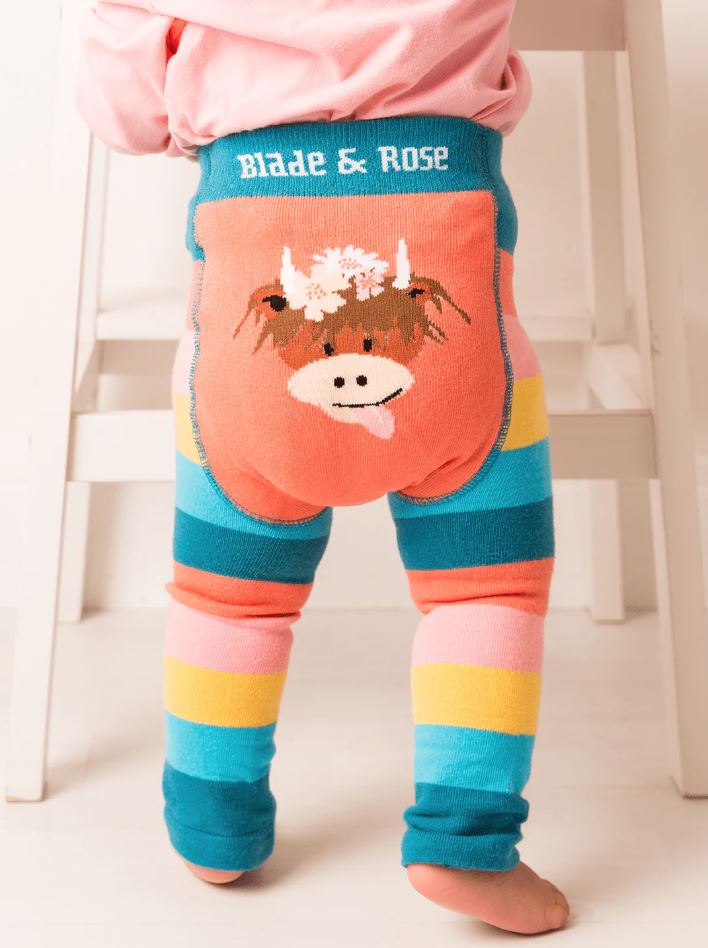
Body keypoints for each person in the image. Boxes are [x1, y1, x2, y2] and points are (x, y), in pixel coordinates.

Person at [76, 1, 570, 934]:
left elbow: (123, 114)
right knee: (487, 591)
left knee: (228, 598)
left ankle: (214, 831)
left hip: (243, 350)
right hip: (459, 327)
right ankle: (466, 844)